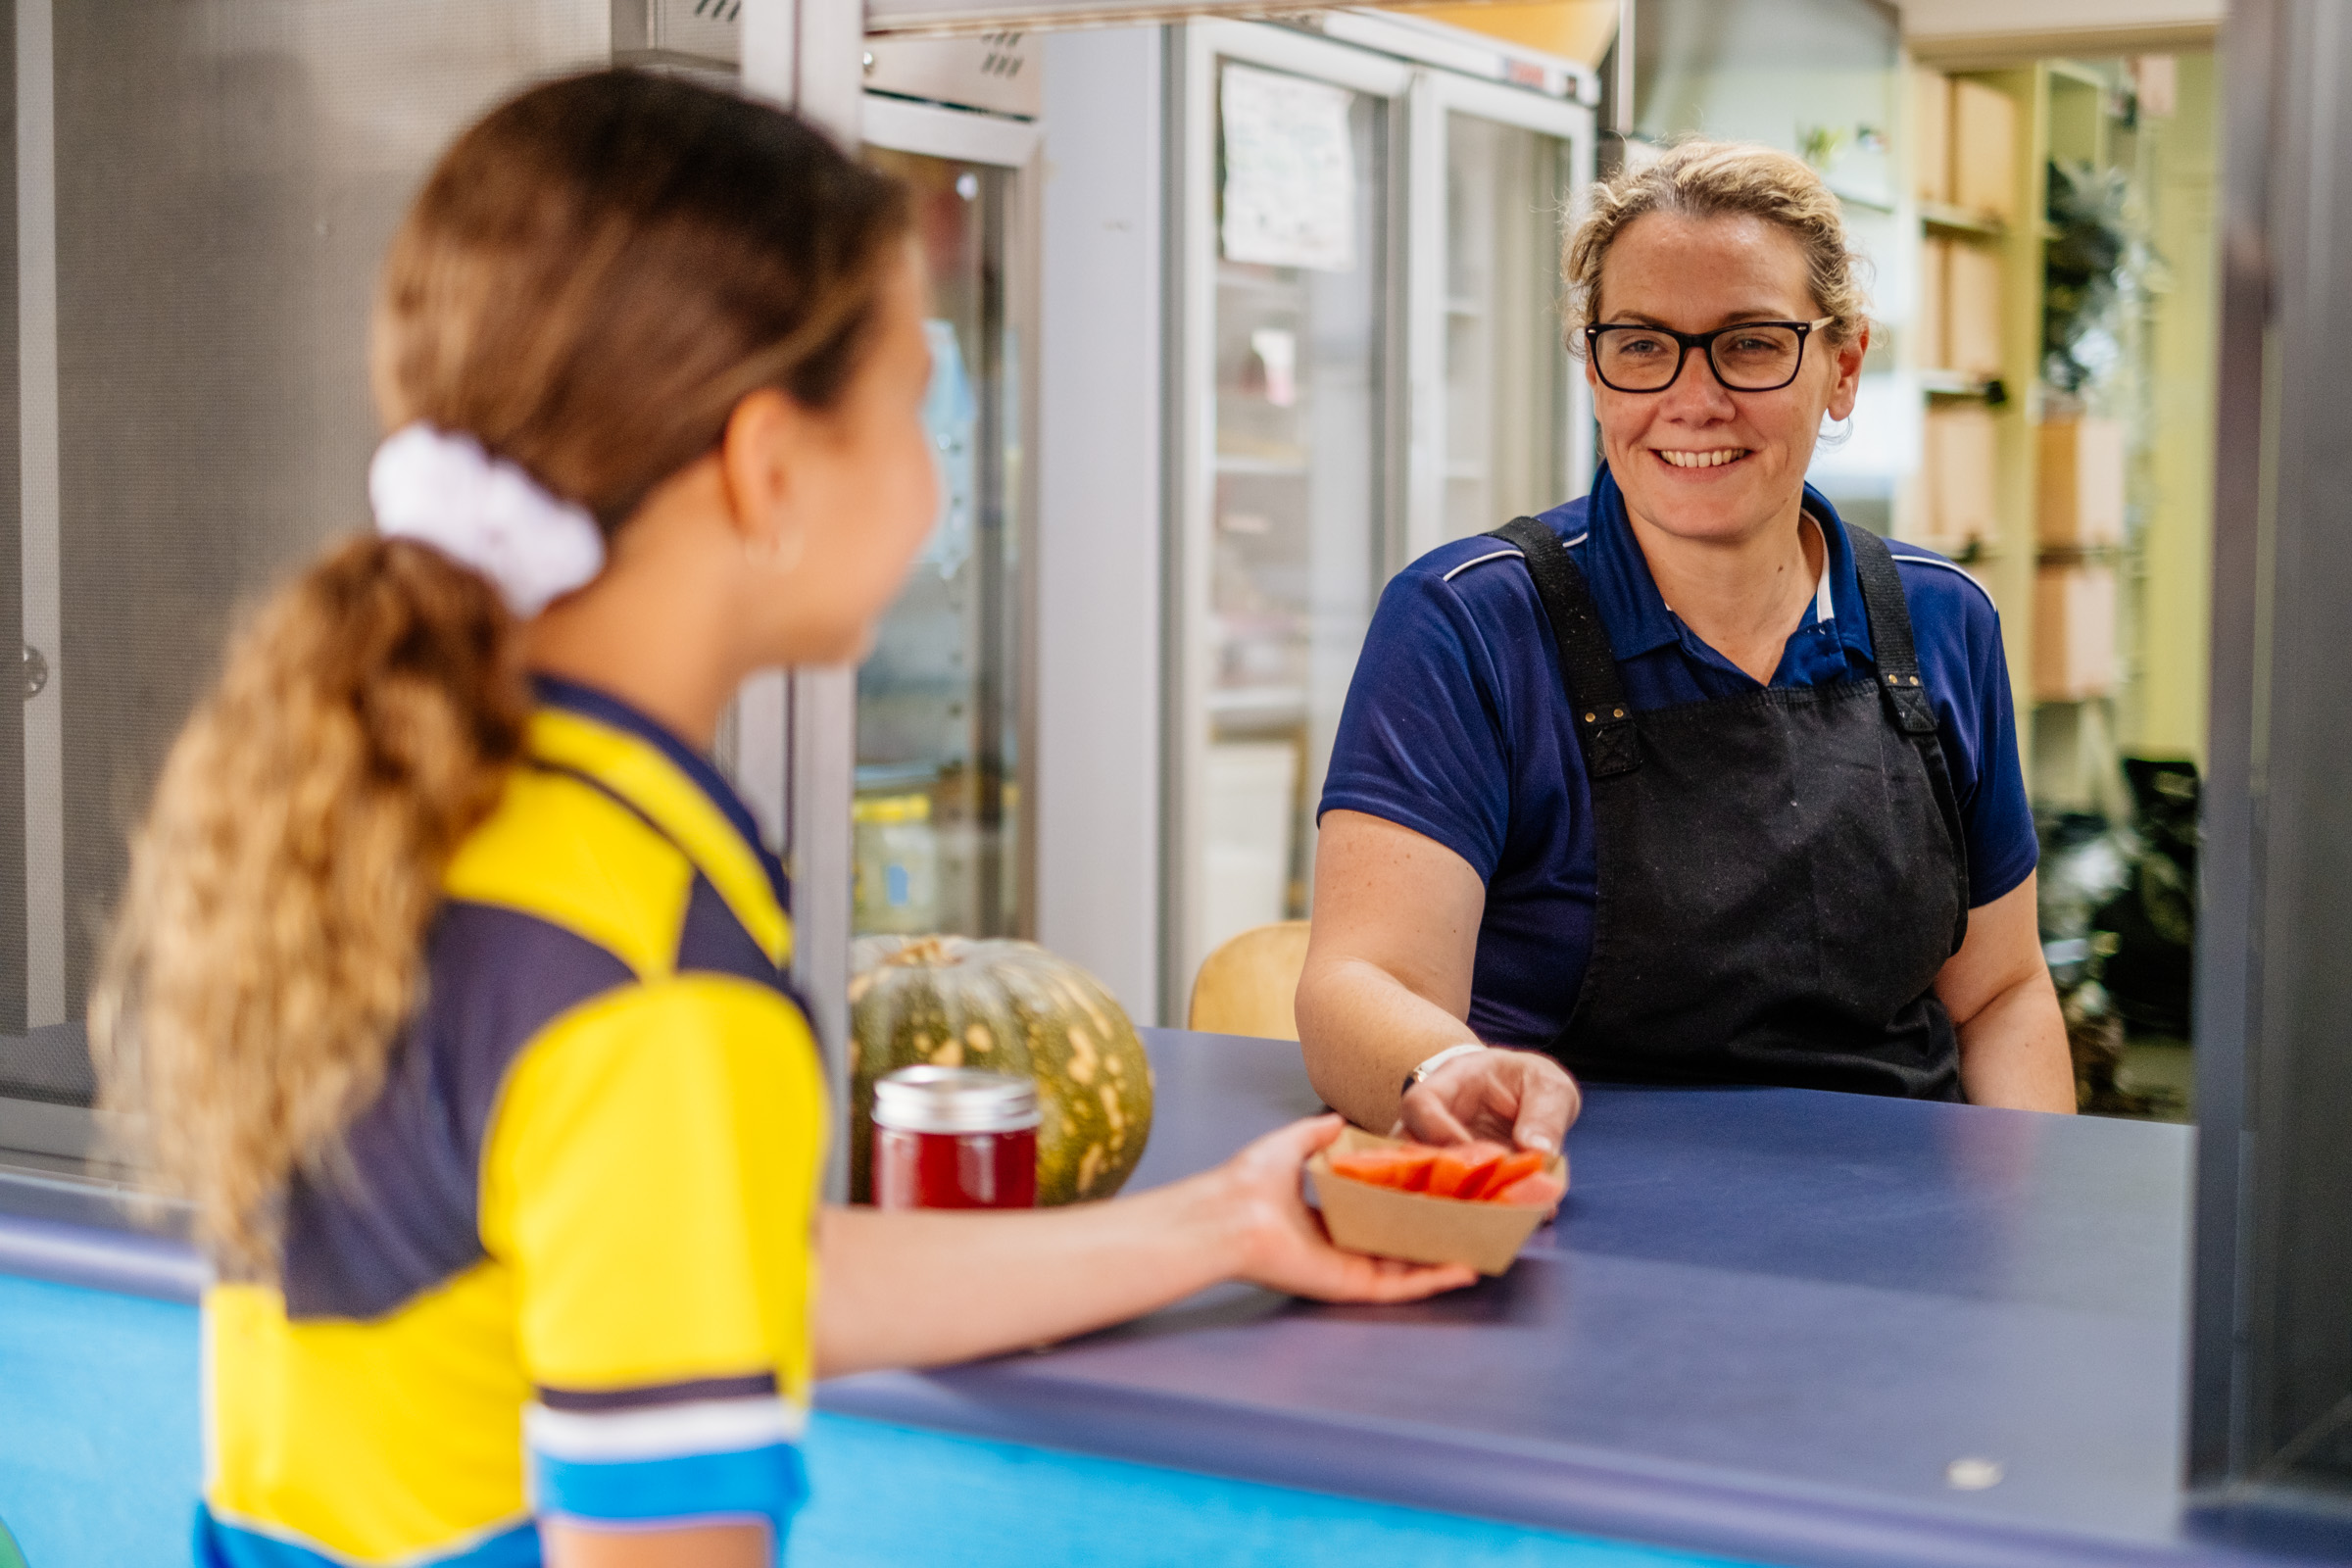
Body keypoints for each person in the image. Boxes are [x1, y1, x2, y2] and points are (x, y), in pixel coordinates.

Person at [91, 72, 1470, 1568]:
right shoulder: (651, 962)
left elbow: (691, 1278)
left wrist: (1221, 1224)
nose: (940, 470)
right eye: (912, 401)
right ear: (768, 468)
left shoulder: (416, 800)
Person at [1298, 140, 2075, 1154]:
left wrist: (2032, 1234)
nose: (1693, 398)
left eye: (1751, 343)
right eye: (1642, 344)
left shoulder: (1941, 620)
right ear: (1595, 370)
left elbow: (2003, 992)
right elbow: (1359, 985)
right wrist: (1454, 1074)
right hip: (1573, 1215)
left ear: (1842, 367)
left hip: (1904, 1232)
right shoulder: (1470, 624)